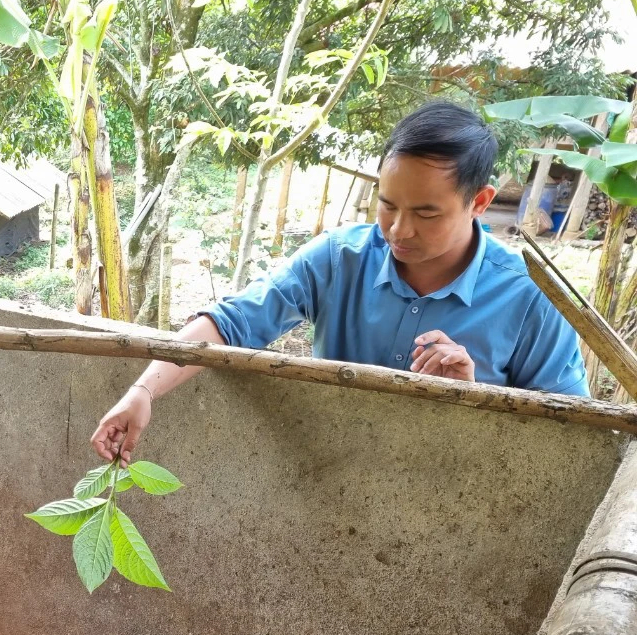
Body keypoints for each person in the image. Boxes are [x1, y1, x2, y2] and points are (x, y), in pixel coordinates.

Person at [90, 100, 589, 465]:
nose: (398, 229)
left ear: (479, 202)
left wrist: (473, 399)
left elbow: (571, 433)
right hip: (327, 476)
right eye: (388, 204)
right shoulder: (338, 258)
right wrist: (144, 392)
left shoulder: (533, 299)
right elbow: (231, 323)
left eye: (426, 213)